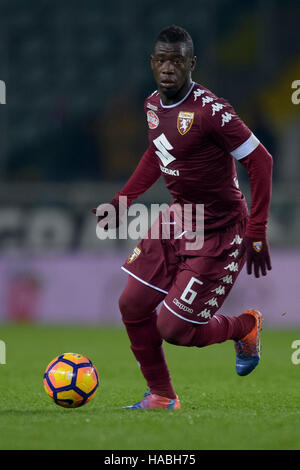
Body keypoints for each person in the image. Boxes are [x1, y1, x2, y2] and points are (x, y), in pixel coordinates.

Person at [94, 25, 273, 410]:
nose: (167, 68)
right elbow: (157, 154)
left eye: (176, 60)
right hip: (181, 218)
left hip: (222, 230)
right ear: (152, 64)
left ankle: (245, 326)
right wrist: (123, 201)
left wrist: (256, 229)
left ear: (191, 63)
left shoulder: (212, 112)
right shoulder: (152, 105)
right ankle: (161, 395)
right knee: (132, 304)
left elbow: (261, 160)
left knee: (174, 330)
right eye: (160, 60)